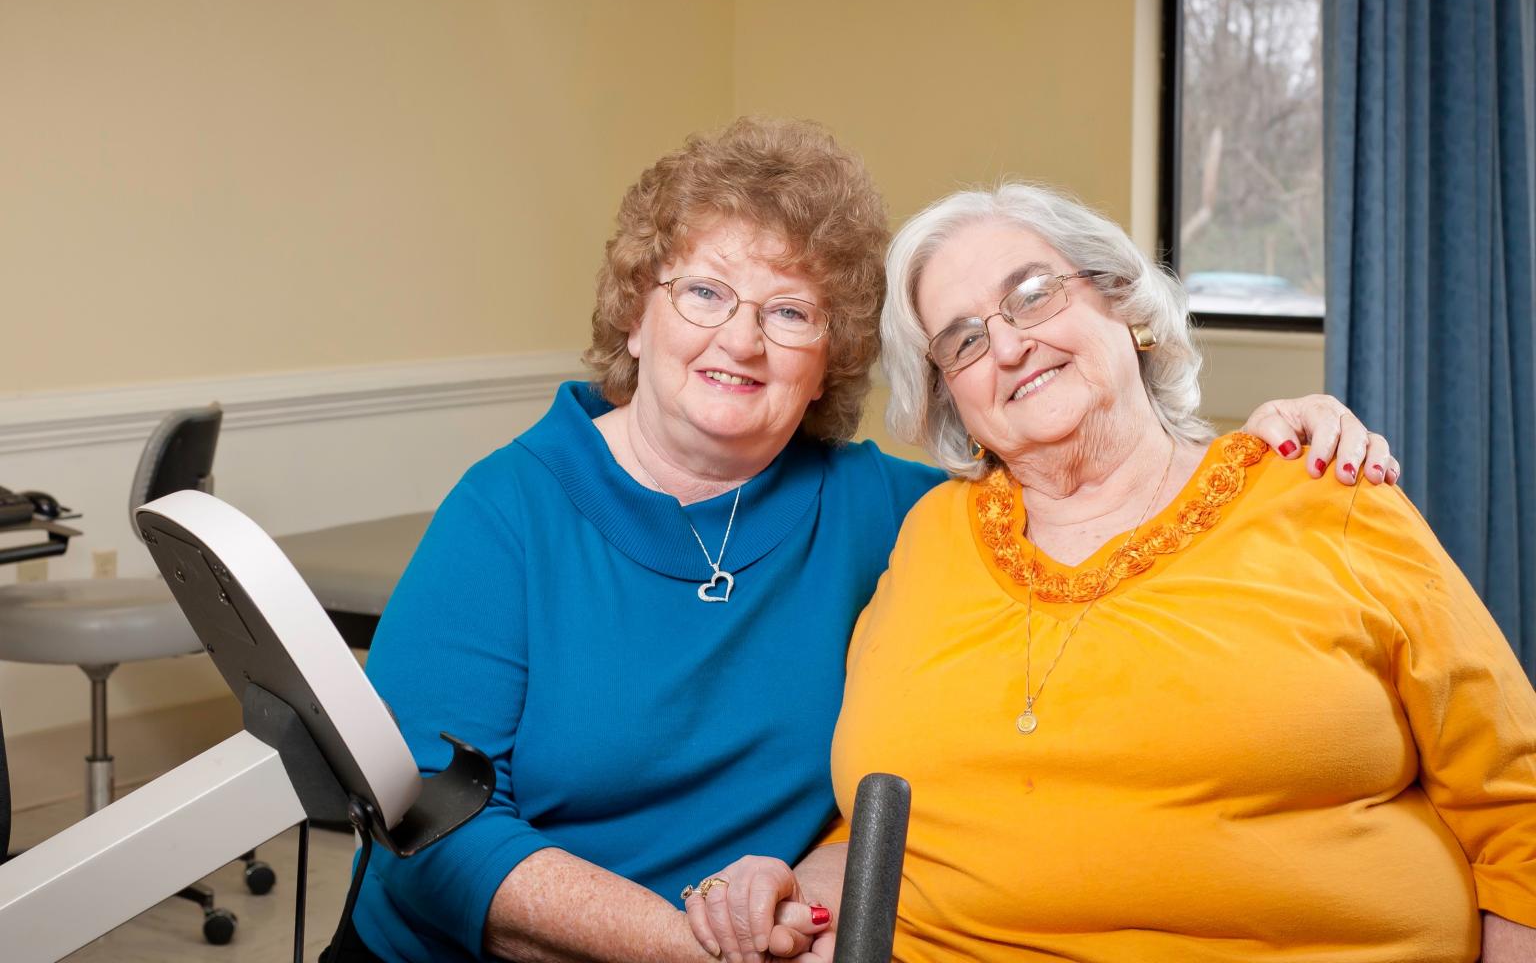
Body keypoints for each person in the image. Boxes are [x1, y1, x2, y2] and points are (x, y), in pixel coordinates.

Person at [347, 127, 1393, 963]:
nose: (741, 338)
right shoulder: (507, 513)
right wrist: (680, 945)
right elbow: (428, 835)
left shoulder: (902, 518)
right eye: (704, 293)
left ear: (829, 365)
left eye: (790, 313)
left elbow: (1098, 485)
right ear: (635, 317)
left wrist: (1257, 446)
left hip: (773, 935)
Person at [696, 182, 1536, 963]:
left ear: (1125, 304)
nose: (1012, 344)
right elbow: (883, 821)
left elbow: (1516, 808)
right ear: (954, 400)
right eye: (964, 340)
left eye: (1033, 294)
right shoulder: (928, 533)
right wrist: (795, 889)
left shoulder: (1325, 492)